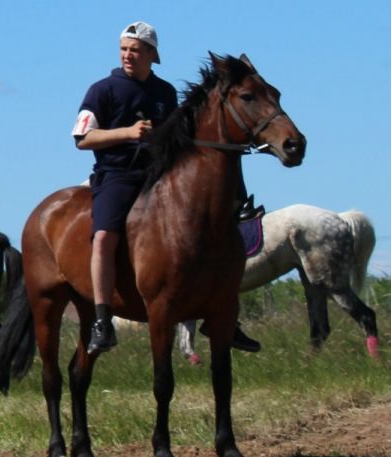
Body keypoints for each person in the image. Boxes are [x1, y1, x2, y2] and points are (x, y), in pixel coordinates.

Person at [72, 23, 261, 356]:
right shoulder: (102, 90)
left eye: (136, 49)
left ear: (153, 55)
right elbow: (83, 139)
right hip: (117, 175)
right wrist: (128, 133)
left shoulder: (165, 93)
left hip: (160, 174)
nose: (128, 55)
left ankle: (225, 314)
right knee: (103, 237)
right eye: (124, 49)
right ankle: (102, 320)